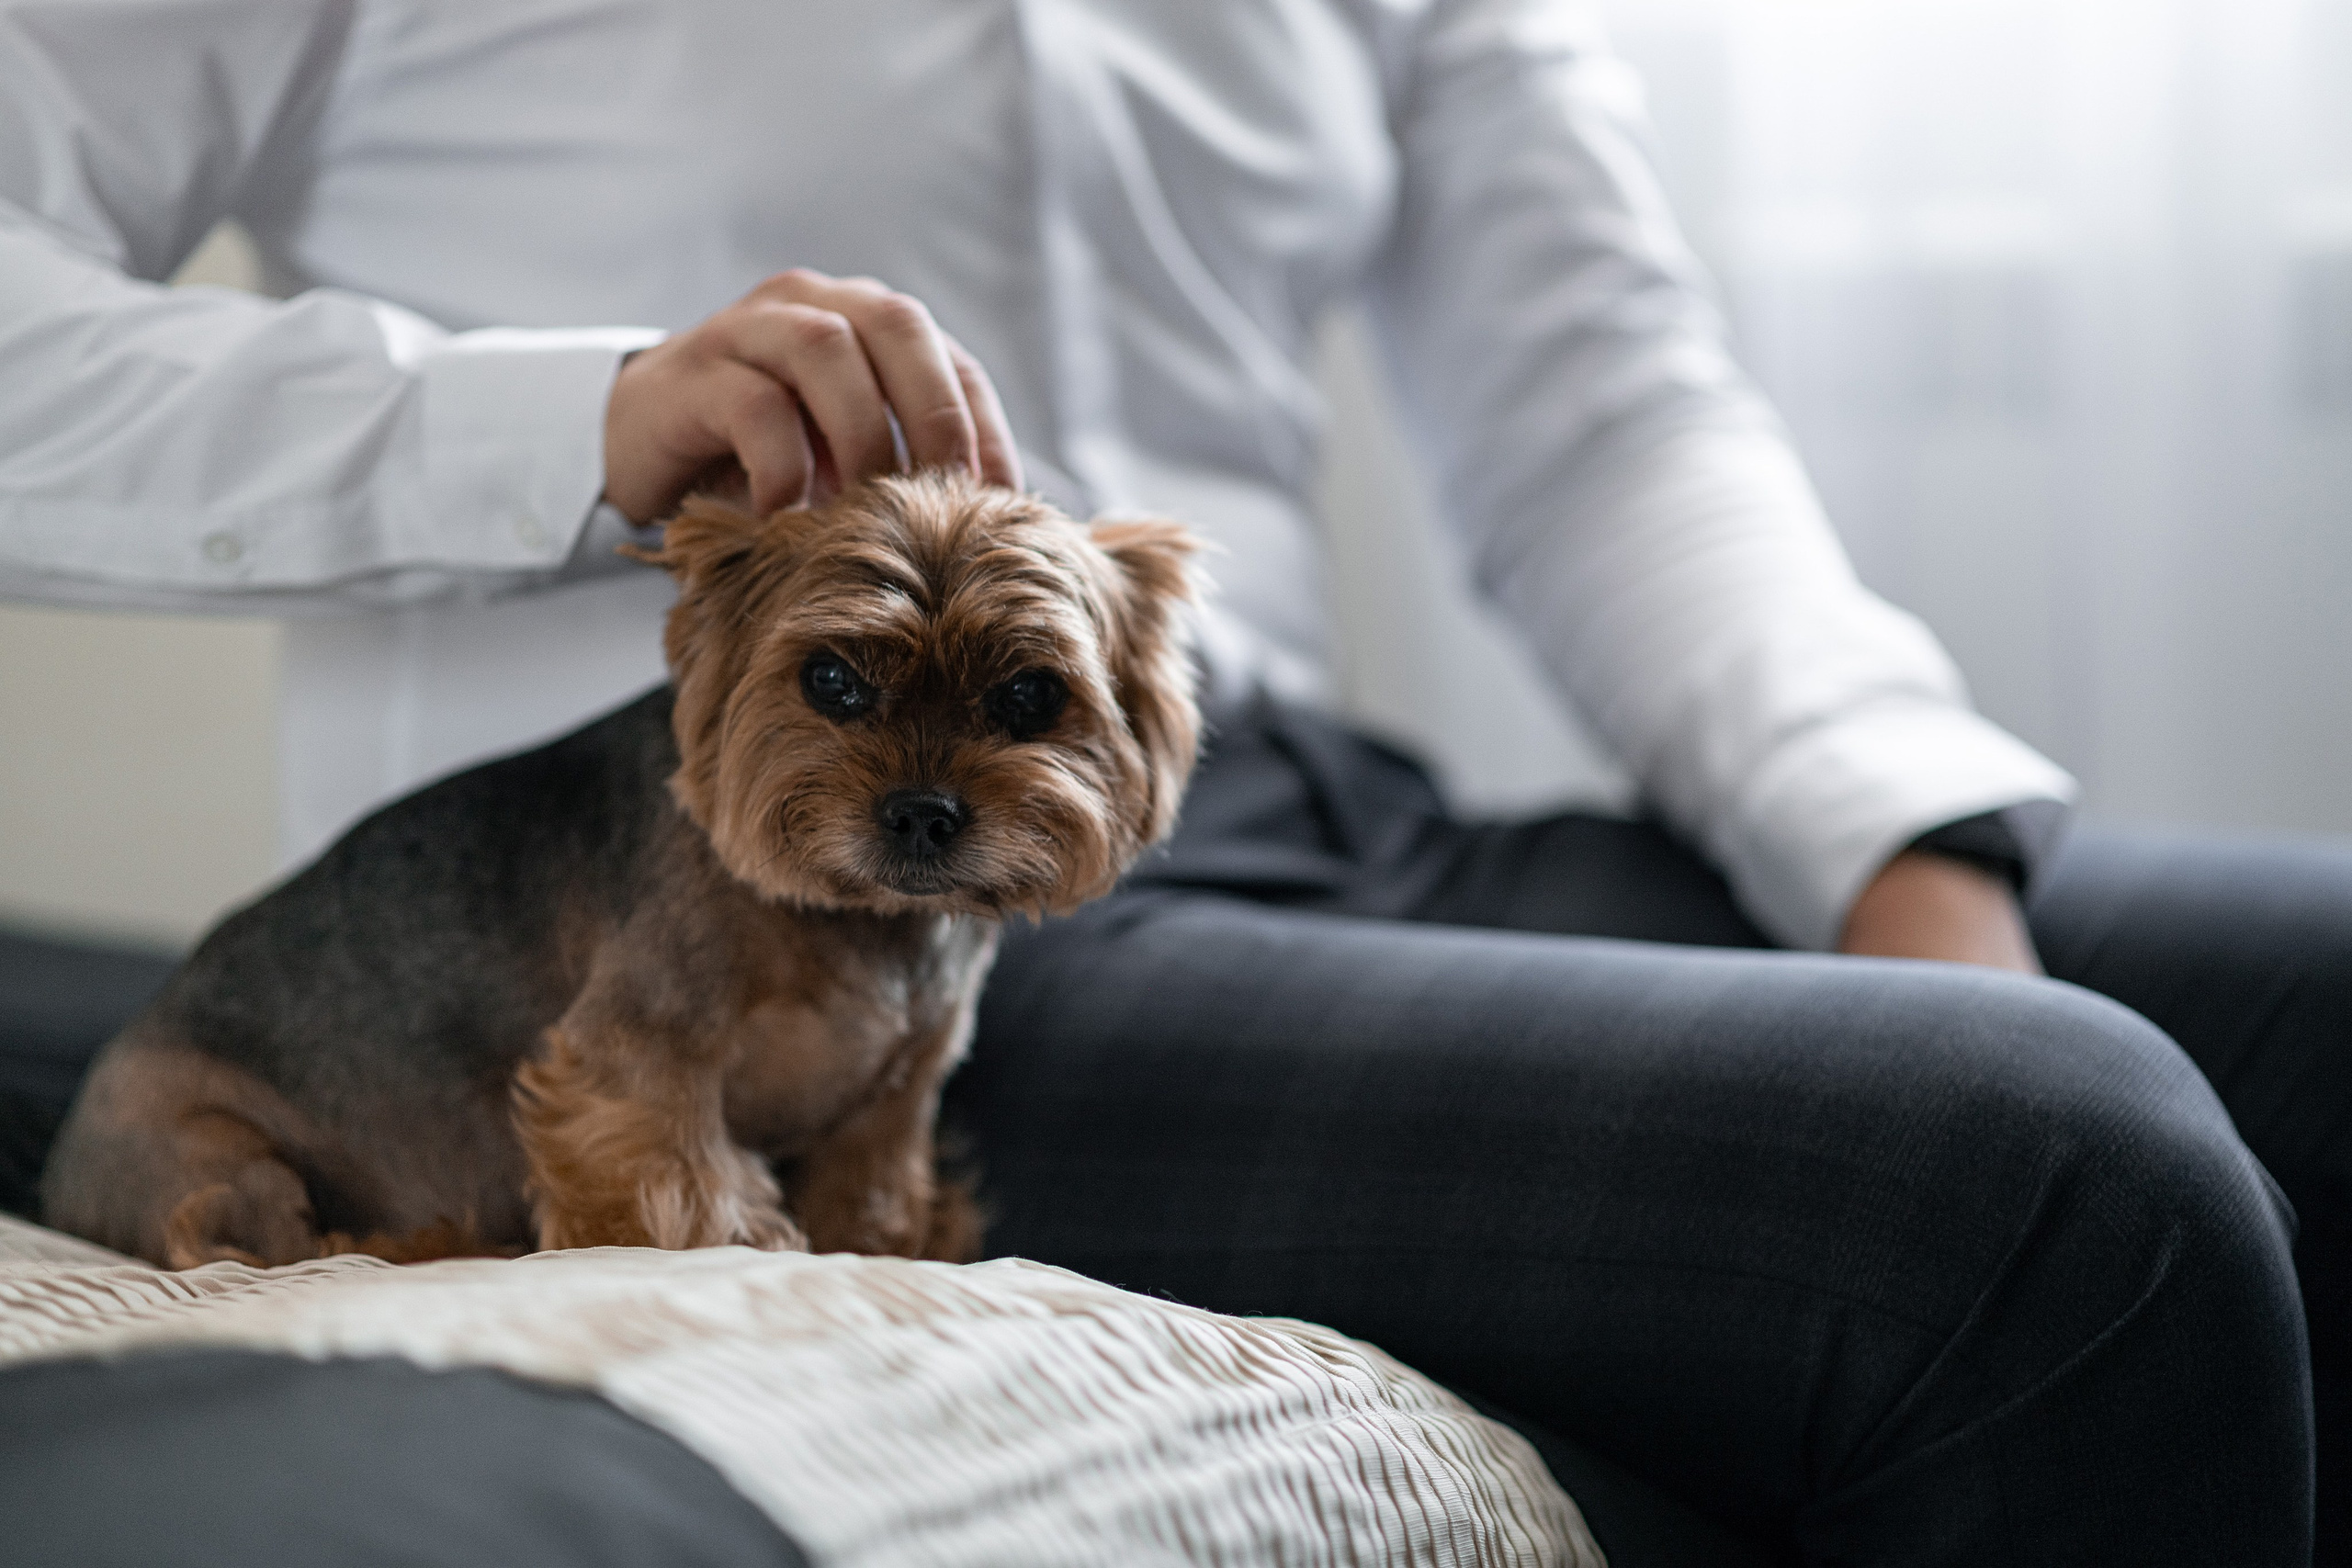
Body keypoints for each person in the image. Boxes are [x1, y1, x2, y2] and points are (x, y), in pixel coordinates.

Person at [0, 2, 2338, 1560]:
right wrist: (550, 422)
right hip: (786, 916)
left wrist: (1888, 840)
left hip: (1283, 788)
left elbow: (1607, 411)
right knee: (2054, 1170)